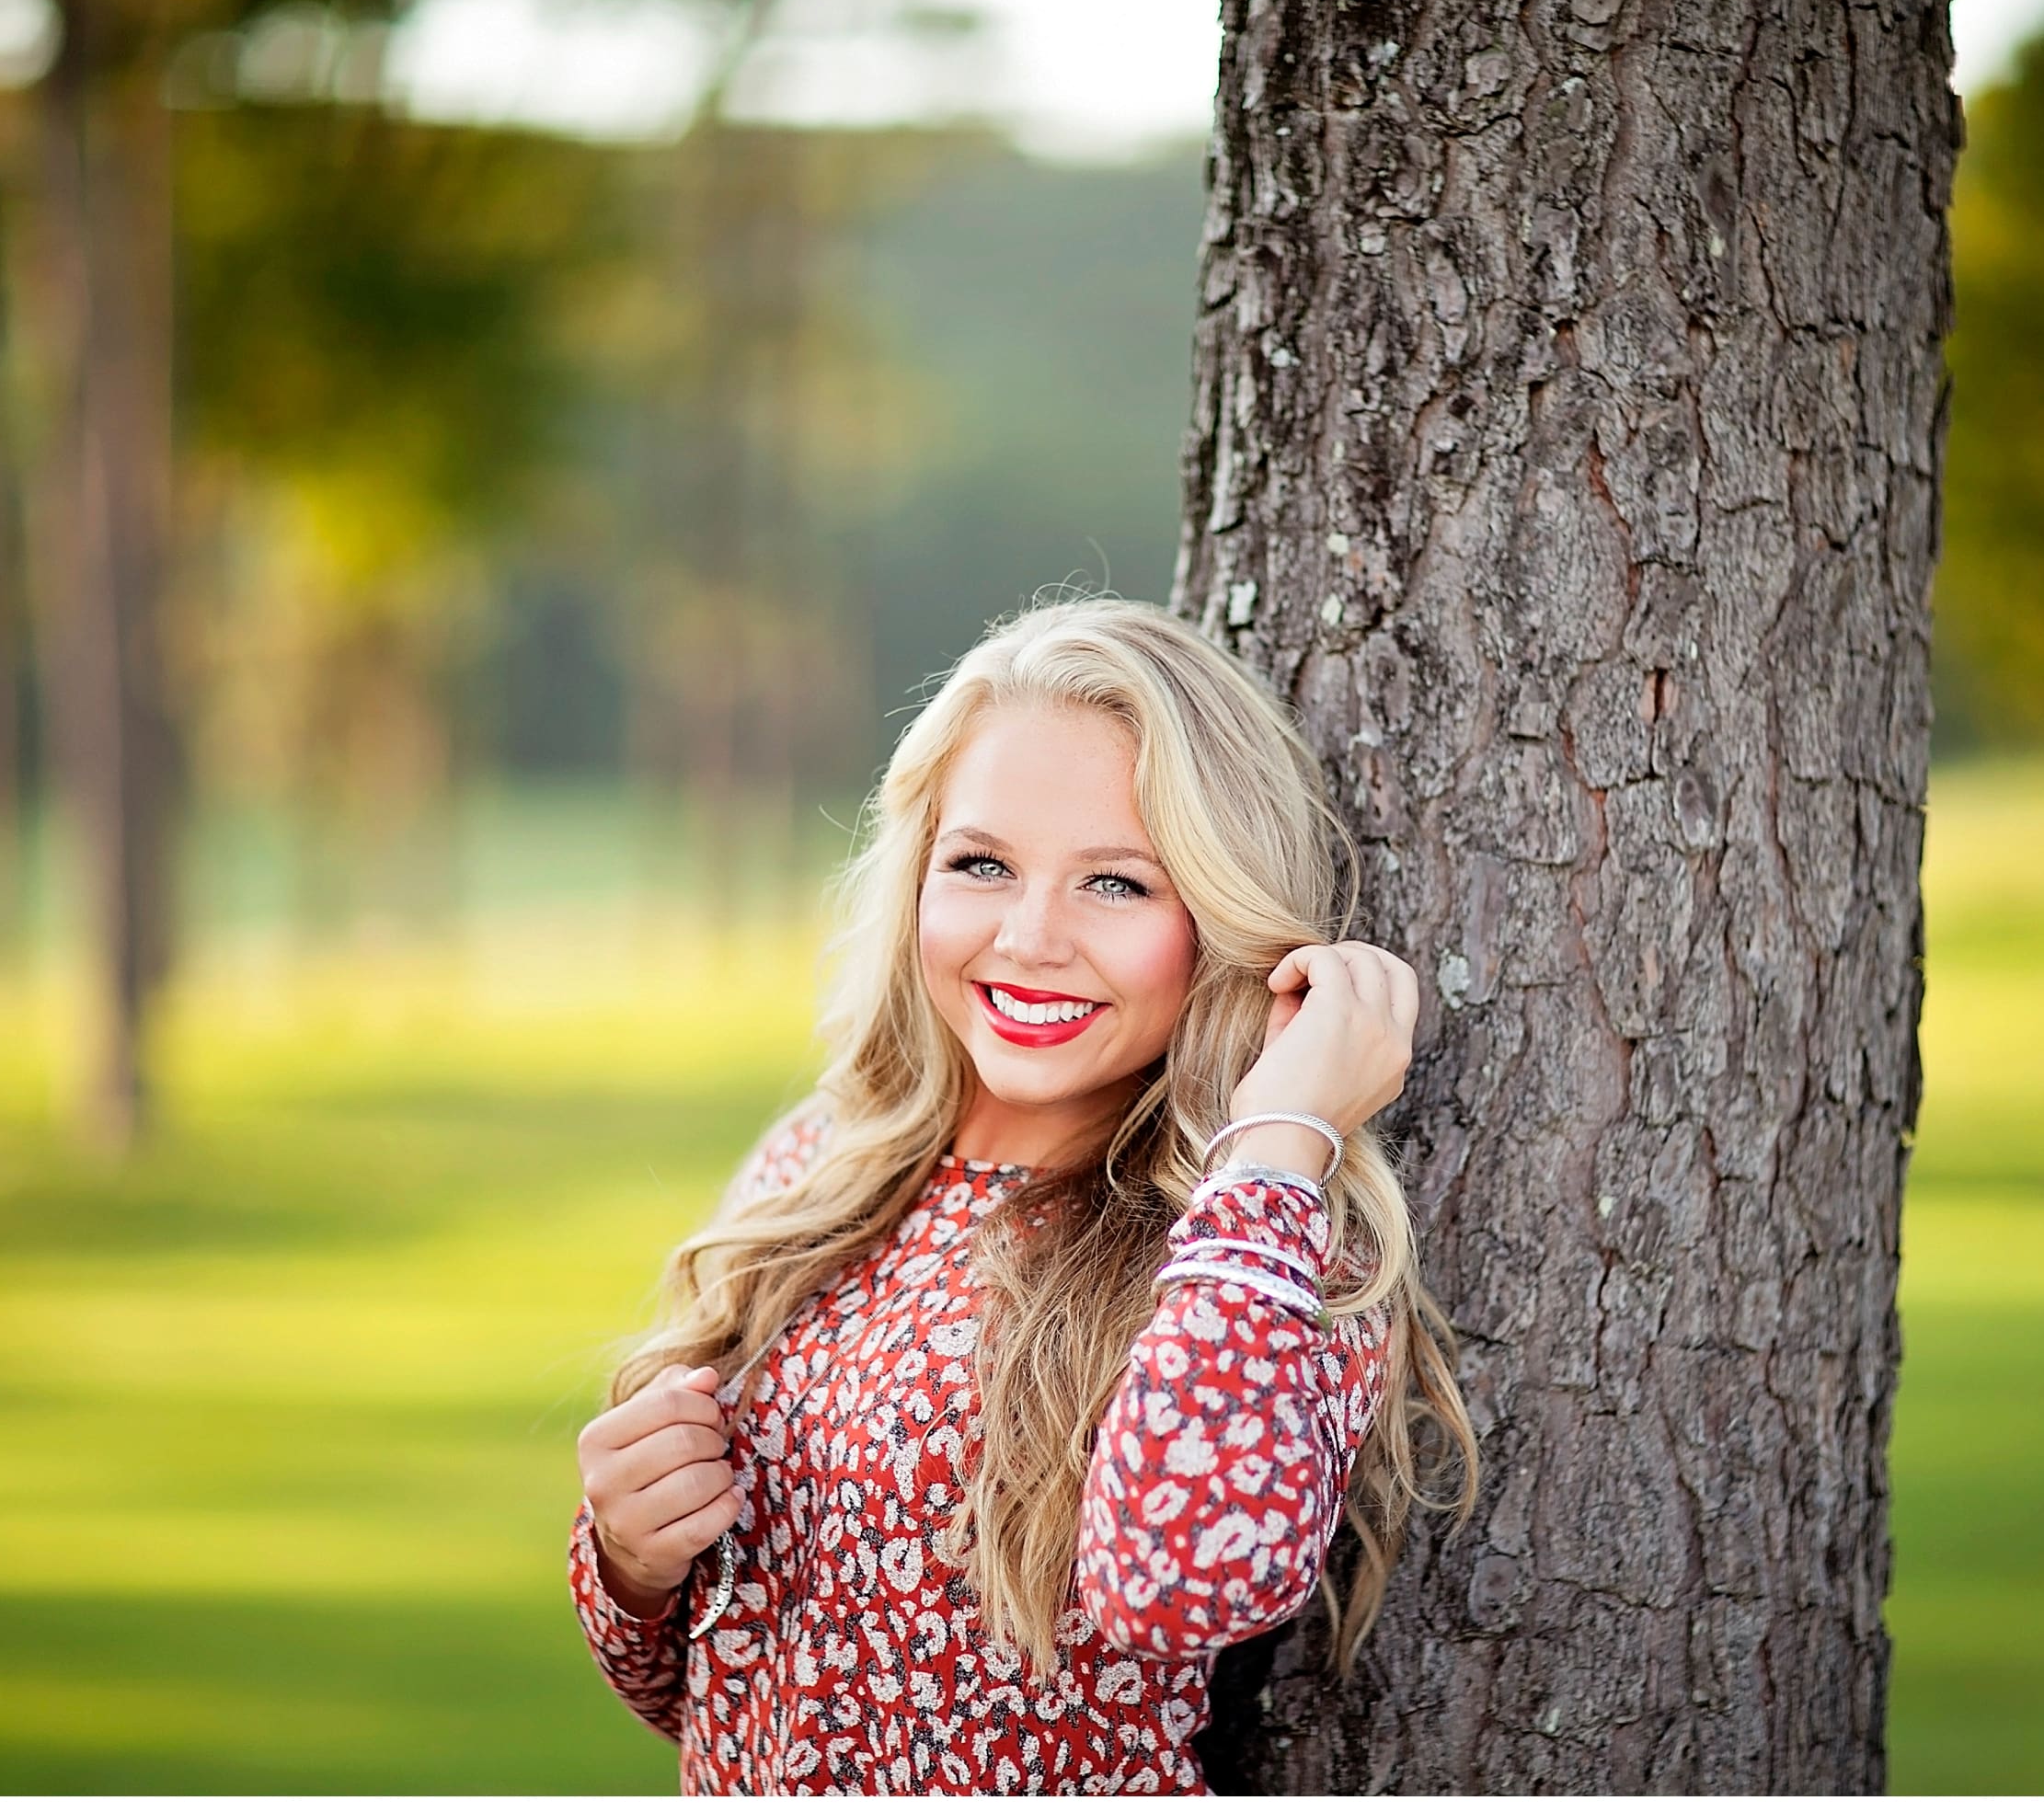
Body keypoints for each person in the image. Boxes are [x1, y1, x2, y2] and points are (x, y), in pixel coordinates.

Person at [567, 595, 1476, 1794]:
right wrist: (631, 1559)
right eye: (983, 864)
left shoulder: (1269, 1235)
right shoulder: (822, 1161)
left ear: (1222, 915)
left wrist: (1279, 1135)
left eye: (1117, 884)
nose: (1031, 938)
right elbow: (713, 1692)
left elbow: (1182, 1585)